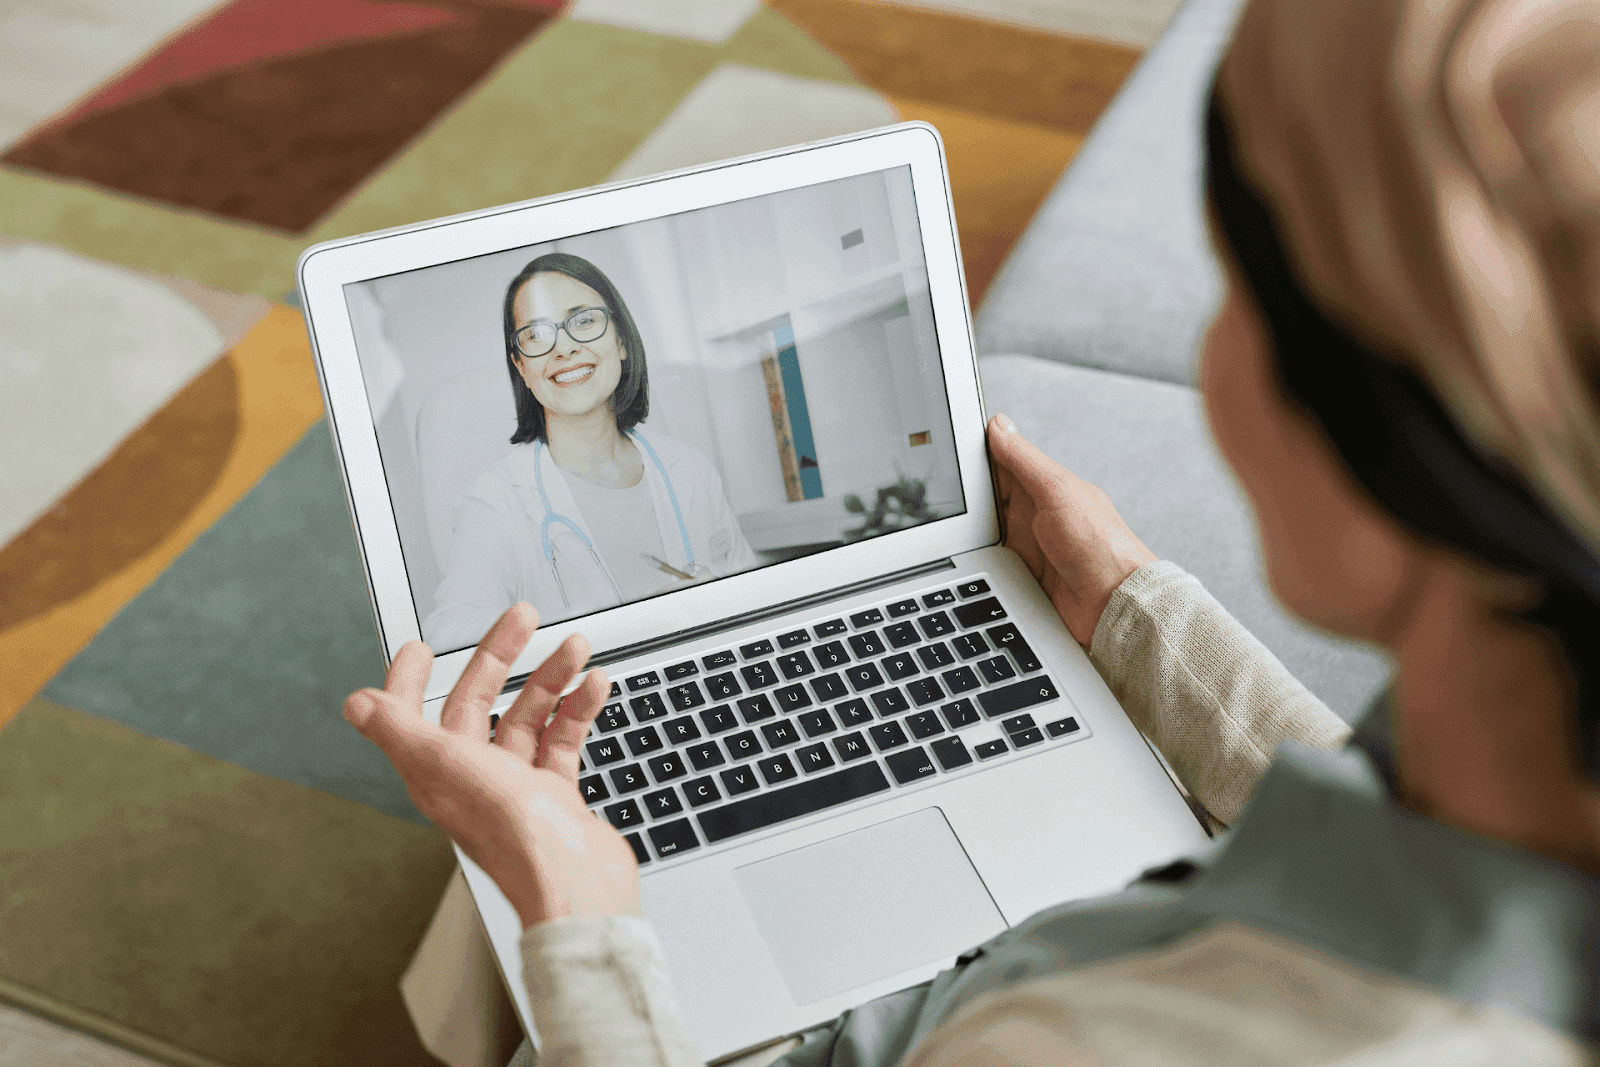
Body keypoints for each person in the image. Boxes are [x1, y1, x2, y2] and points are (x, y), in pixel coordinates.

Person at [346, 0, 1600, 1061]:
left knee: (537, 822)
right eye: (532, 336)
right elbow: (1403, 836)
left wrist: (578, 915)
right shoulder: (1510, 799)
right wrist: (1129, 605)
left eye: (1238, 297)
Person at [424, 252, 758, 649]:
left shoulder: (689, 468)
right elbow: (450, 636)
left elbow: (752, 593)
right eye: (536, 334)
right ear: (521, 368)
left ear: (619, 339)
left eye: (583, 320)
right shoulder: (494, 504)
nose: (563, 349)